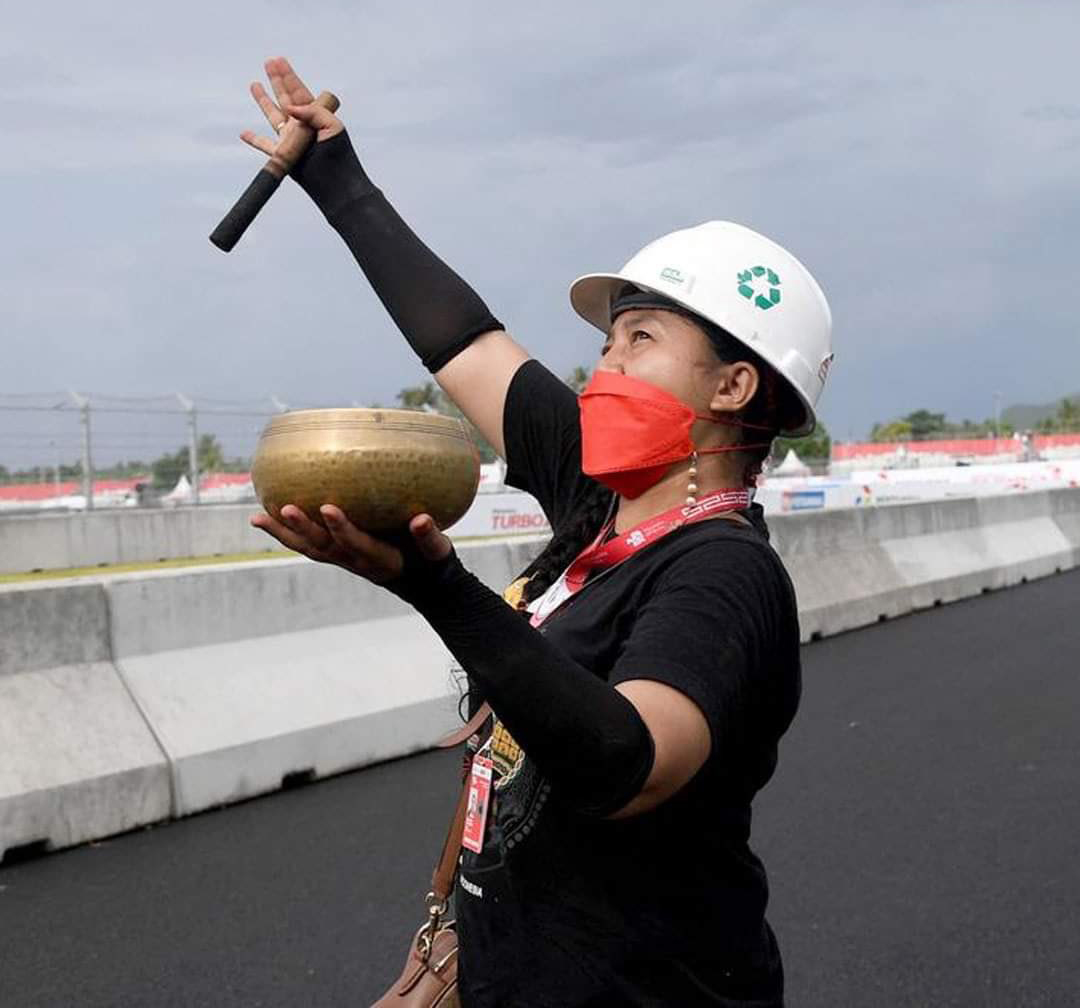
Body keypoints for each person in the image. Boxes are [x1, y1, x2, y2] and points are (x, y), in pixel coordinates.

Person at [244, 57, 833, 1007]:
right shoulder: (597, 500)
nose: (604, 367)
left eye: (640, 340)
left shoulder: (725, 573)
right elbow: (464, 340)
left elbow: (626, 764)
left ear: (733, 386)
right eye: (607, 342)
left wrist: (434, 586)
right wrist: (336, 178)